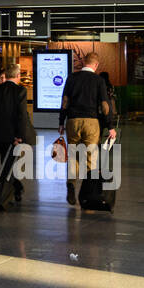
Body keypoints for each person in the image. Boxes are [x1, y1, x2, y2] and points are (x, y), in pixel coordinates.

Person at [58, 52, 115, 206]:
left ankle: (71, 184)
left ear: (84, 62)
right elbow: (105, 105)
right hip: (91, 122)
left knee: (73, 155)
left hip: (73, 121)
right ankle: (89, 193)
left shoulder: (72, 78)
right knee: (91, 158)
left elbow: (65, 101)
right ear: (96, 65)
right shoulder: (98, 80)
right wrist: (110, 126)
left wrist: (61, 122)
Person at [0, 62, 32, 203]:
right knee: (10, 165)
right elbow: (21, 115)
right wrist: (19, 136)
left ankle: (2, 187)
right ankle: (13, 189)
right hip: (11, 136)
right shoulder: (21, 91)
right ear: (18, 75)